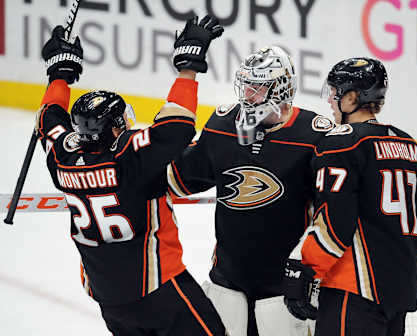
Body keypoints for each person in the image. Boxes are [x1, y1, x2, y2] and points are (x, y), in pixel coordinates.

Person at [36, 16, 226, 335]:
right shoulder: (131, 158)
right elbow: (176, 128)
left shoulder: (62, 156)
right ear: (114, 129)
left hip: (108, 298)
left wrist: (59, 74)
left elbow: (48, 119)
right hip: (158, 289)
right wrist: (188, 67)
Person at [167, 46, 334, 336]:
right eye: (246, 86)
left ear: (281, 89)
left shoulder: (316, 136)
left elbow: (335, 213)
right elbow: (177, 179)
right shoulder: (222, 126)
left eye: (258, 87)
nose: (248, 95)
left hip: (286, 285)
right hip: (228, 279)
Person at [283, 57, 417, 336]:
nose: (330, 101)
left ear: (352, 98)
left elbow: (334, 224)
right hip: (400, 290)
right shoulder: (406, 143)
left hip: (353, 292)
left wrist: (305, 269)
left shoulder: (340, 143)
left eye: (335, 94)